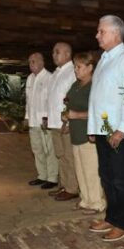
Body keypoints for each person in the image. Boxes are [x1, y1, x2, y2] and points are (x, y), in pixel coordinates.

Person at [87, 15, 124, 242]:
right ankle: (111, 217)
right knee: (107, 176)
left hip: (118, 131)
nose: (97, 35)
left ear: (116, 34)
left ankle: (123, 223)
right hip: (102, 129)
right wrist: (93, 126)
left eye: (101, 31)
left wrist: (121, 129)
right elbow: (97, 96)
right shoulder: (103, 59)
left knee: (120, 178)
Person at [65, 52, 106, 215]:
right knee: (80, 169)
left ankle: (97, 203)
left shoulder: (95, 86)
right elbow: (68, 103)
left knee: (91, 170)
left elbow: (100, 110)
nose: (76, 70)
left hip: (89, 134)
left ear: (90, 68)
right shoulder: (76, 85)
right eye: (75, 66)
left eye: (79, 67)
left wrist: (77, 115)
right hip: (76, 132)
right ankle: (85, 200)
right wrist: (66, 118)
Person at [46, 42, 78, 201]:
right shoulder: (56, 73)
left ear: (67, 54)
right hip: (54, 122)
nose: (53, 55)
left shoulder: (72, 72)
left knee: (68, 157)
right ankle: (64, 185)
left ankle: (72, 188)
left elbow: (71, 99)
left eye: (57, 52)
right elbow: (51, 99)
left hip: (65, 123)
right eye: (53, 52)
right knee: (60, 155)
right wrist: (46, 117)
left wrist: (69, 122)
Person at [24, 52, 58, 190]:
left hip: (45, 121)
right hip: (32, 121)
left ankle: (52, 178)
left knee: (49, 150)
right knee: (37, 149)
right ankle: (42, 175)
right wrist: (26, 117)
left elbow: (52, 101)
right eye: (29, 62)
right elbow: (28, 101)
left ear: (42, 62)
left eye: (33, 61)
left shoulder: (50, 78)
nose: (31, 64)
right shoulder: (30, 78)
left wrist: (48, 118)